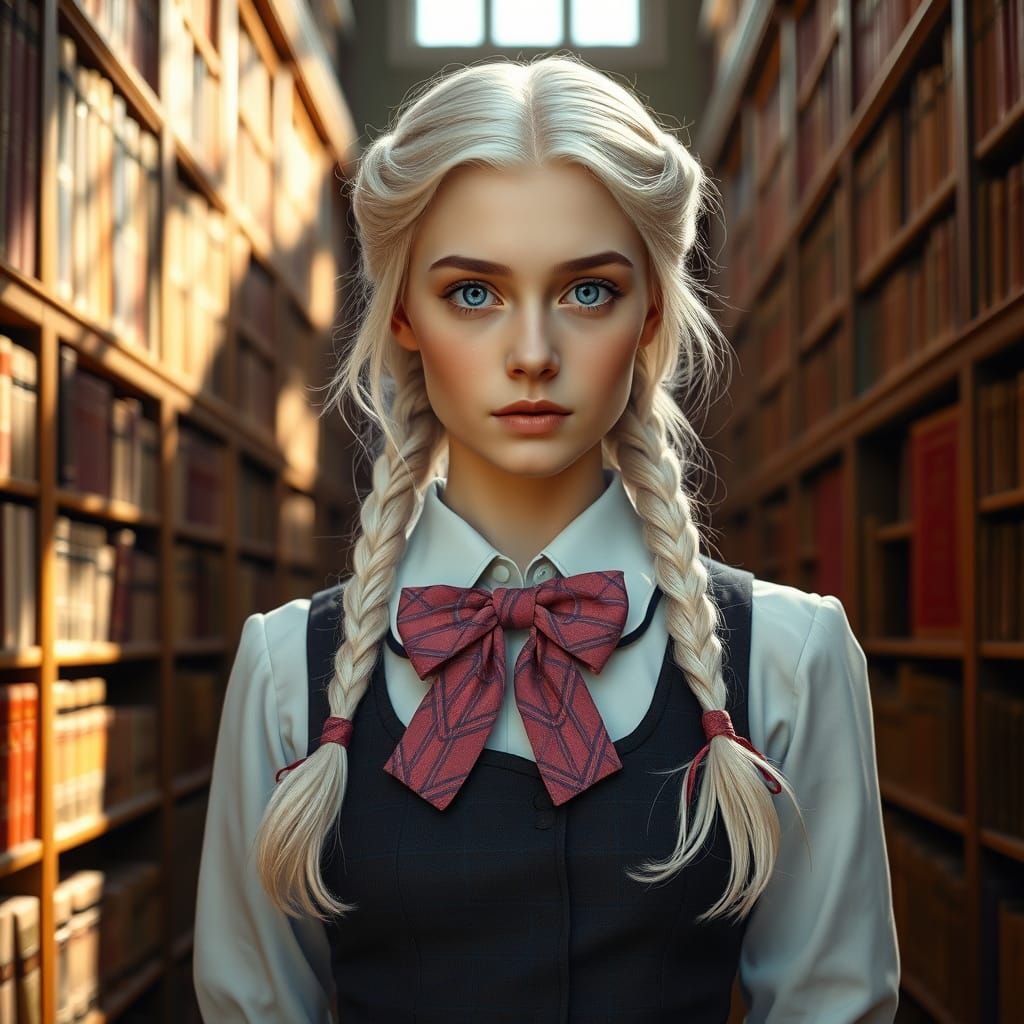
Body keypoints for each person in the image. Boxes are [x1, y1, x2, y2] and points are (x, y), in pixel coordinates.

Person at [192, 54, 900, 1023]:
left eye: (586, 292)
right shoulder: (283, 676)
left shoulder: (792, 659)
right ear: (401, 312)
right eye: (473, 294)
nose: (531, 353)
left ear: (651, 311)